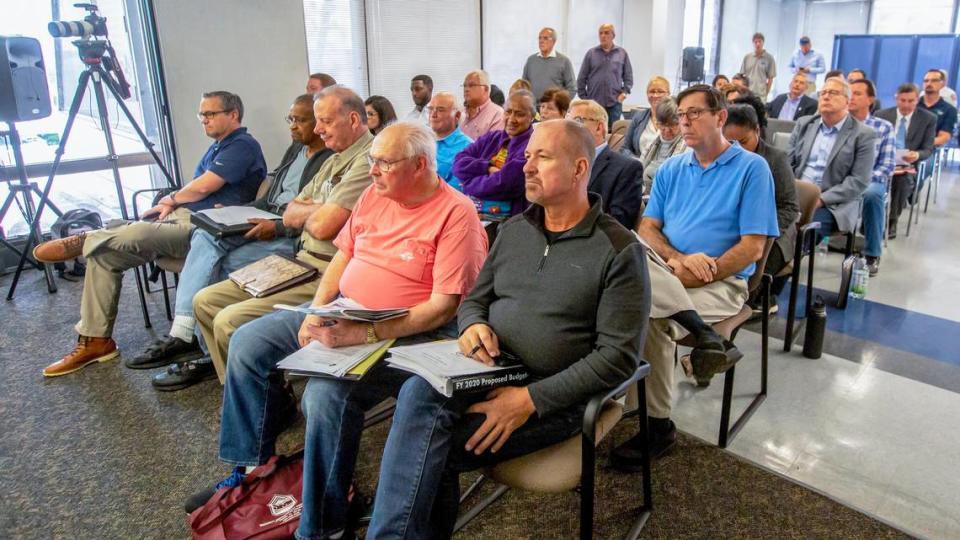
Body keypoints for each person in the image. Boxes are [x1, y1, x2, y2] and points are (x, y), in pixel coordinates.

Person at [185, 122, 490, 537]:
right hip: (345, 311)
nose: (374, 169)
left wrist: (364, 334)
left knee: (325, 397)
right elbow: (343, 258)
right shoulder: (374, 194)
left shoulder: (457, 214)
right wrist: (318, 309)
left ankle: (323, 525)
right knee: (248, 341)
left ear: (419, 166)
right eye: (372, 160)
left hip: (404, 331)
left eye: (384, 162)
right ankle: (255, 467)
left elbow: (442, 309)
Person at [34, 91, 266, 378]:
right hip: (185, 218)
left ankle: (89, 238)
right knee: (105, 256)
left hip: (208, 228)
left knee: (138, 230)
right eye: (201, 115)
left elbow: (204, 187)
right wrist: (172, 202)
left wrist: (171, 199)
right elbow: (194, 190)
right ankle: (96, 340)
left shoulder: (242, 144)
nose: (203, 120)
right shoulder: (218, 146)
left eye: (210, 114)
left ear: (233, 115)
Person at [611, 85, 780, 466]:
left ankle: (658, 425)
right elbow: (648, 228)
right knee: (618, 289)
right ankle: (627, 396)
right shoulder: (673, 168)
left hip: (723, 282)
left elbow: (754, 246)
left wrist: (707, 271)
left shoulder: (752, 169)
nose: (683, 122)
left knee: (651, 315)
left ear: (720, 118)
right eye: (680, 115)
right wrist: (679, 261)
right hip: (670, 269)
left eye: (694, 114)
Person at [131, 94, 335, 389]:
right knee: (206, 235)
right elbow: (272, 195)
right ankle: (194, 339)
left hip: (286, 235)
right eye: (289, 119)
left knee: (217, 264)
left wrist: (274, 226)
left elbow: (308, 217)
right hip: (264, 217)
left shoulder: (328, 158)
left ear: (318, 124)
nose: (292, 126)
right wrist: (246, 209)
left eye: (300, 120)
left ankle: (196, 345)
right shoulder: (296, 149)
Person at [192, 86, 375, 381]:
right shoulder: (333, 159)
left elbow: (325, 226)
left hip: (328, 269)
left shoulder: (369, 160)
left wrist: (313, 213)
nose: (318, 130)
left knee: (228, 321)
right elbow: (291, 211)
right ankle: (241, 389)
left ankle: (267, 401)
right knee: (204, 300)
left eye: (325, 121)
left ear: (353, 120)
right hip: (300, 258)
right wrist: (318, 210)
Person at [723, 104, 798, 313]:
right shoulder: (724, 158)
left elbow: (790, 208)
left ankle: (752, 302)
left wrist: (760, 230)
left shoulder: (775, 159)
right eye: (731, 142)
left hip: (772, 233)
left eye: (744, 141)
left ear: (757, 131)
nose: (737, 148)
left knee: (746, 276)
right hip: (735, 228)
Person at [786, 78, 876, 243]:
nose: (826, 97)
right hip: (796, 195)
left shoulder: (863, 134)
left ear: (847, 101)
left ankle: (785, 265)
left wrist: (820, 199)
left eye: (833, 93)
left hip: (833, 204)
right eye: (823, 93)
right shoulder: (804, 124)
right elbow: (787, 164)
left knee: (803, 233)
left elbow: (858, 181)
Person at [452, 90, 535, 216]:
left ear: (532, 117)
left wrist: (466, 184)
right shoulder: (491, 138)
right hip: (475, 215)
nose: (512, 119)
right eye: (508, 112)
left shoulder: (533, 145)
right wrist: (487, 167)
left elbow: (504, 184)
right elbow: (458, 164)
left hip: (510, 221)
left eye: (519, 114)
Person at [566, 99, 642, 228]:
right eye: (567, 123)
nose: (569, 129)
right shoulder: (564, 163)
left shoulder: (627, 168)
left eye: (577, 121)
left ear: (599, 127)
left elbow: (618, 224)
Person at [875, 83, 937, 238]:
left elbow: (928, 148)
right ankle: (869, 221)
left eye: (911, 101)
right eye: (903, 100)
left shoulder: (928, 119)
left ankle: (891, 221)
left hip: (907, 164)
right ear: (896, 99)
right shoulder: (881, 115)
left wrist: (916, 155)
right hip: (883, 160)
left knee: (901, 181)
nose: (906, 105)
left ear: (917, 100)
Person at [847, 79, 895, 276]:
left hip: (870, 180)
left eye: (857, 93)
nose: (851, 98)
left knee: (872, 195)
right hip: (840, 179)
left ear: (870, 100)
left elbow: (887, 166)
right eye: (849, 93)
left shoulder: (882, 127)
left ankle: (872, 254)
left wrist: (860, 179)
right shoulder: (841, 123)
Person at [577, 23, 633, 129]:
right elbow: (581, 78)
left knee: (612, 133)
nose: (603, 36)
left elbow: (628, 77)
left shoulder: (622, 53)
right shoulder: (591, 54)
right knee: (593, 130)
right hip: (594, 104)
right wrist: (585, 99)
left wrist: (624, 94)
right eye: (601, 33)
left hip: (614, 103)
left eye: (606, 33)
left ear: (613, 35)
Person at [639, 97, 686, 192]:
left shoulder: (687, 147)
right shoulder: (652, 142)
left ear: (681, 122)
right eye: (663, 125)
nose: (667, 130)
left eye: (673, 125)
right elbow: (639, 169)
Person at [429, 91, 473, 188]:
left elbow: (456, 192)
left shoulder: (468, 148)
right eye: (431, 109)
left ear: (457, 115)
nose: (433, 115)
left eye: (440, 110)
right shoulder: (422, 140)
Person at [620, 76, 670, 160]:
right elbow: (625, 149)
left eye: (660, 91)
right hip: (639, 167)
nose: (655, 95)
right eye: (652, 91)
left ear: (668, 94)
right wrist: (637, 162)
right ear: (647, 94)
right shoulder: (638, 117)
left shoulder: (675, 119)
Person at [521, 27, 577, 100]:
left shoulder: (564, 61)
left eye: (545, 38)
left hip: (554, 109)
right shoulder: (531, 60)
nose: (541, 41)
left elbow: (572, 89)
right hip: (533, 108)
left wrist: (561, 104)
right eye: (540, 38)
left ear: (553, 41)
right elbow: (524, 85)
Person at [460, 70, 505, 140]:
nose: (466, 89)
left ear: (486, 89)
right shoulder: (460, 112)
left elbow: (492, 146)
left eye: (471, 85)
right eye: (464, 86)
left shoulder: (497, 114)